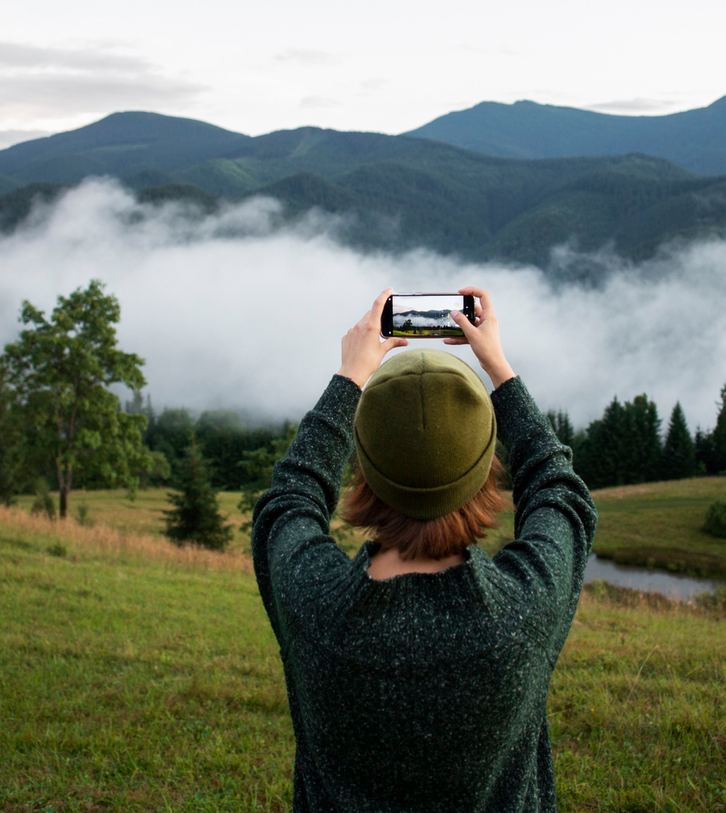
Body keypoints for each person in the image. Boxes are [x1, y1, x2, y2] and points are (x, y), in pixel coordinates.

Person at [252, 287, 597, 812]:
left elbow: (287, 501)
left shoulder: (312, 602)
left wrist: (351, 376)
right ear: (485, 470)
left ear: (363, 472)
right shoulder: (525, 608)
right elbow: (561, 492)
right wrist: (499, 369)